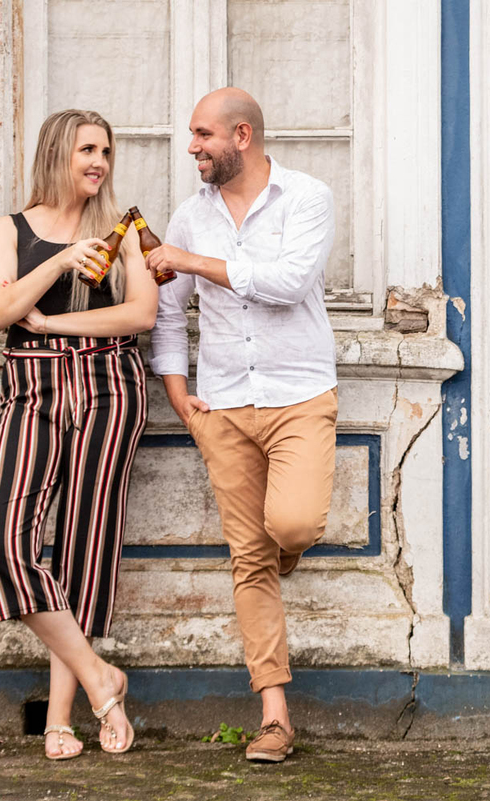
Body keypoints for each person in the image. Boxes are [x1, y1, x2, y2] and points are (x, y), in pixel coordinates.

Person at [147, 87, 337, 763]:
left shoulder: (307, 197)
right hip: (222, 403)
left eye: (203, 134)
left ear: (243, 136)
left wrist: (190, 261)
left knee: (291, 527)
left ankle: (277, 549)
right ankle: (275, 716)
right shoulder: (188, 215)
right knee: (250, 559)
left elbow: (287, 282)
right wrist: (177, 390)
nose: (192, 146)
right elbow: (169, 312)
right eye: (191, 135)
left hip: (298, 396)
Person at [0, 109, 159, 759]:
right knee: (1, 542)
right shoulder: (13, 228)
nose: (99, 161)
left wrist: (55, 328)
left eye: (106, 150)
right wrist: (57, 267)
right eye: (87, 148)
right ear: (57, 153)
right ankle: (100, 676)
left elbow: (140, 313)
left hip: (110, 387)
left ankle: (63, 718)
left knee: (83, 550)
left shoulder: (123, 226)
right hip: (32, 387)